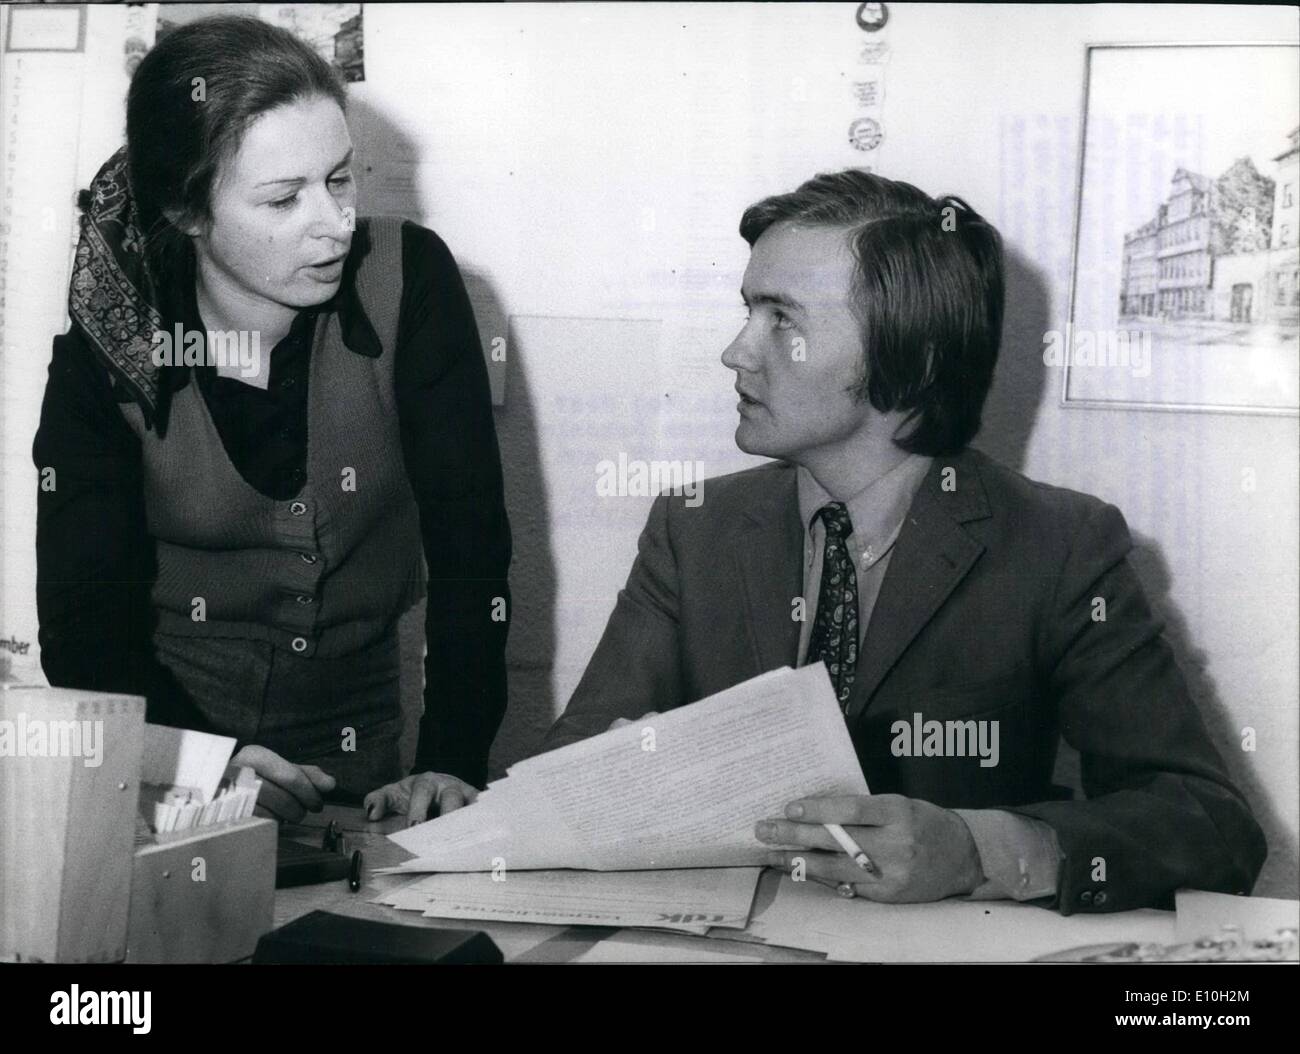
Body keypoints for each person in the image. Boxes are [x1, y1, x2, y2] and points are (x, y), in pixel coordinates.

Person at [534, 170, 1266, 913]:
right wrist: (532, 798)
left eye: (782, 320)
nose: (737, 351)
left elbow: (1213, 828)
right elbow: (578, 753)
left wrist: (978, 850)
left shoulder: (1060, 545)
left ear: (910, 358)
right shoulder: (692, 525)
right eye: (749, 310)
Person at [33, 16, 509, 823]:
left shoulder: (413, 282)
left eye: (340, 179)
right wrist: (191, 756)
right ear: (186, 211)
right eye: (284, 199)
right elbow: (83, 619)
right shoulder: (107, 344)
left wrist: (448, 761)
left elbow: (472, 553)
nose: (333, 223)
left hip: (358, 746)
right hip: (159, 742)